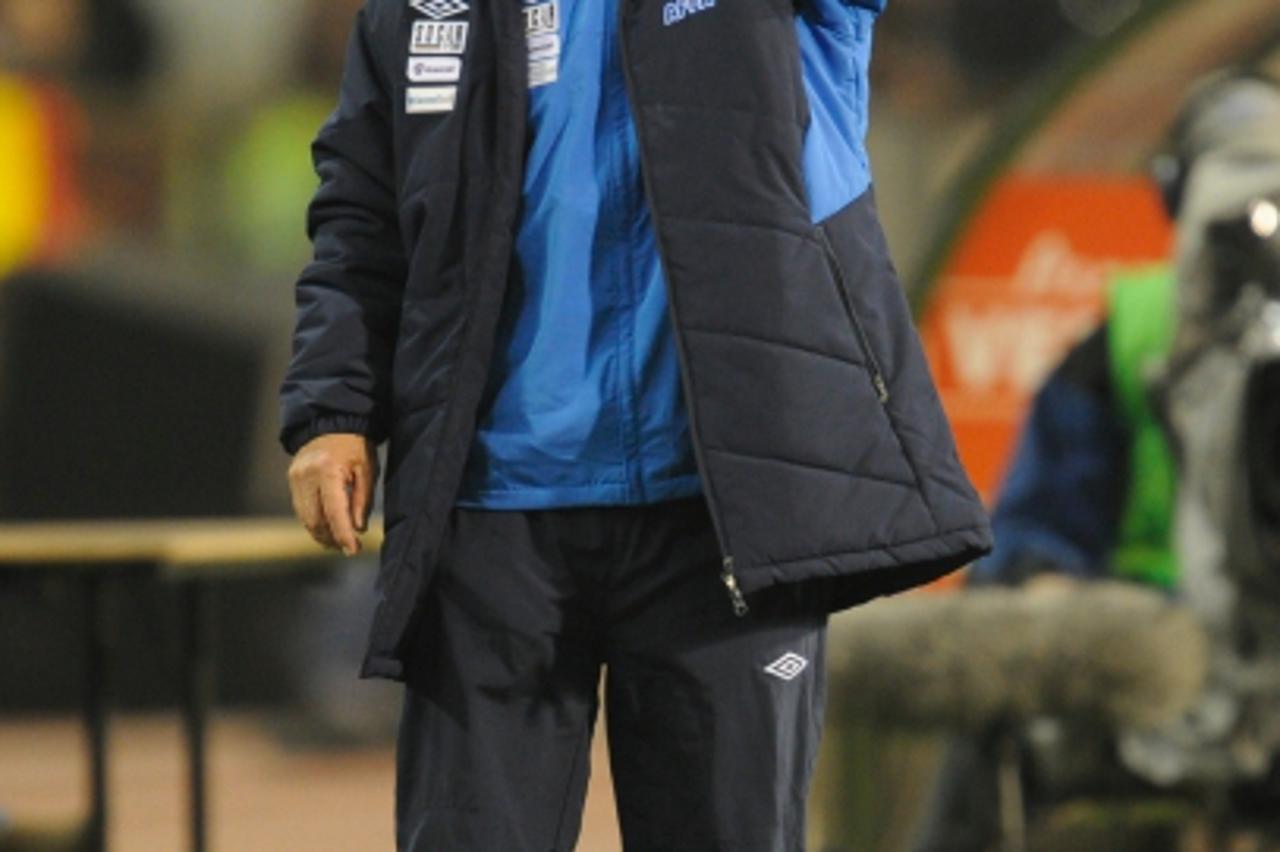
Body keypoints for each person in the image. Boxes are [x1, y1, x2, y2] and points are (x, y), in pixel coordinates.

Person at [279, 1, 991, 849]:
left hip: (721, 516)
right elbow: (363, 205)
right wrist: (334, 409)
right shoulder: (427, 10)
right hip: (490, 515)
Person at [913, 69, 1280, 852]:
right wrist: (1047, 590)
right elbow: (1033, 536)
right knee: (998, 712)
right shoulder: (1135, 331)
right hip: (1156, 661)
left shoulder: (1127, 327)